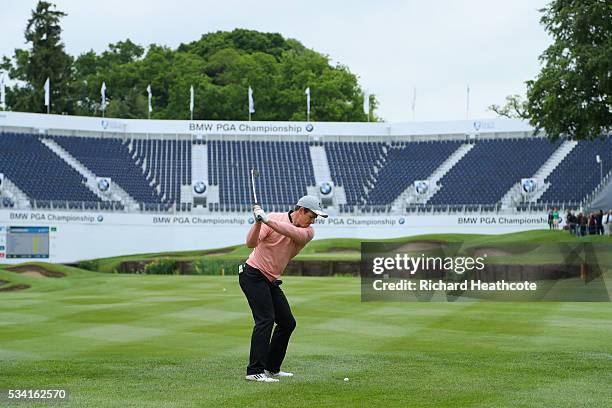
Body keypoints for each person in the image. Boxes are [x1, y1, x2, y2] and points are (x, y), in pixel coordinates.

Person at [239, 195, 328, 382]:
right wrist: (257, 223)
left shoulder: (308, 232)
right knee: (265, 319)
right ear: (301, 210)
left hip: (270, 279)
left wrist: (267, 220)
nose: (313, 221)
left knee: (287, 322)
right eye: (311, 216)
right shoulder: (273, 218)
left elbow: (291, 232)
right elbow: (250, 243)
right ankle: (254, 371)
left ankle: (271, 368)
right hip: (253, 274)